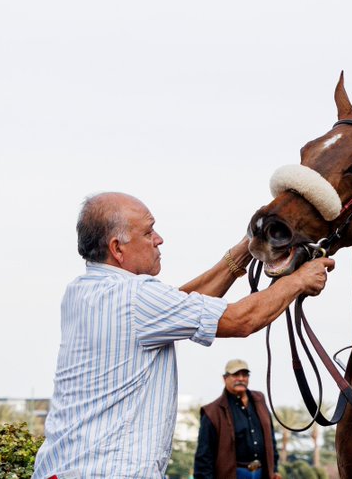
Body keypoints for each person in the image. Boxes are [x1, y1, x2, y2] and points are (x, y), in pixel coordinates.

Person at [33, 192, 335, 479]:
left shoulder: (83, 290)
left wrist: (247, 247)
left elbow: (180, 306)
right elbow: (243, 320)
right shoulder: (136, 297)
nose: (159, 239)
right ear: (117, 248)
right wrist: (299, 280)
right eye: (149, 232)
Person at [194, 359, 280, 479]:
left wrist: (274, 469)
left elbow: (271, 439)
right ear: (225, 378)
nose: (241, 379)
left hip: (262, 473)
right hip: (233, 474)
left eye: (244, 375)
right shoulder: (212, 412)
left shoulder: (260, 401)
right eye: (235, 375)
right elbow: (204, 456)